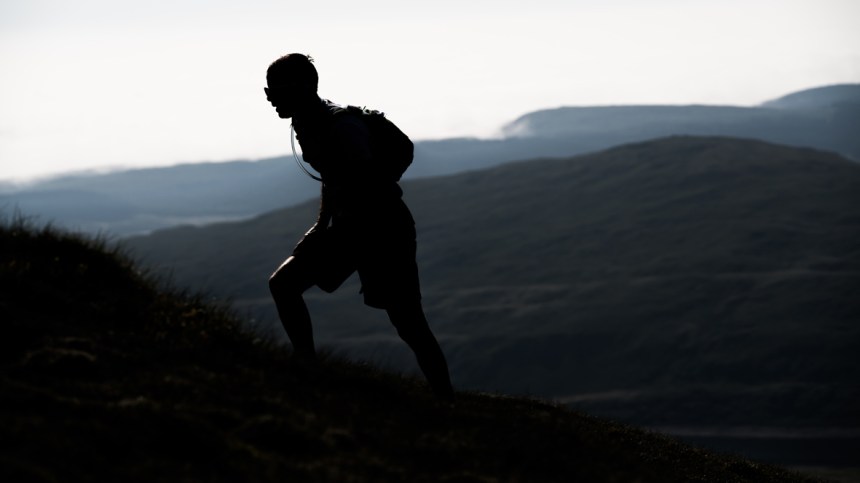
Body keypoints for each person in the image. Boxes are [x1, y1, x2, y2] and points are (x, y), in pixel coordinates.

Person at [264, 53, 454, 400]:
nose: (272, 100)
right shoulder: (309, 123)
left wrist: (335, 226)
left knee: (408, 321)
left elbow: (358, 178)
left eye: (276, 92)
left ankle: (446, 398)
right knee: (283, 285)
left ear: (304, 89)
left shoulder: (341, 126)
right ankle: (307, 367)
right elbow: (334, 177)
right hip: (355, 227)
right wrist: (322, 226)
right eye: (268, 93)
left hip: (383, 230)